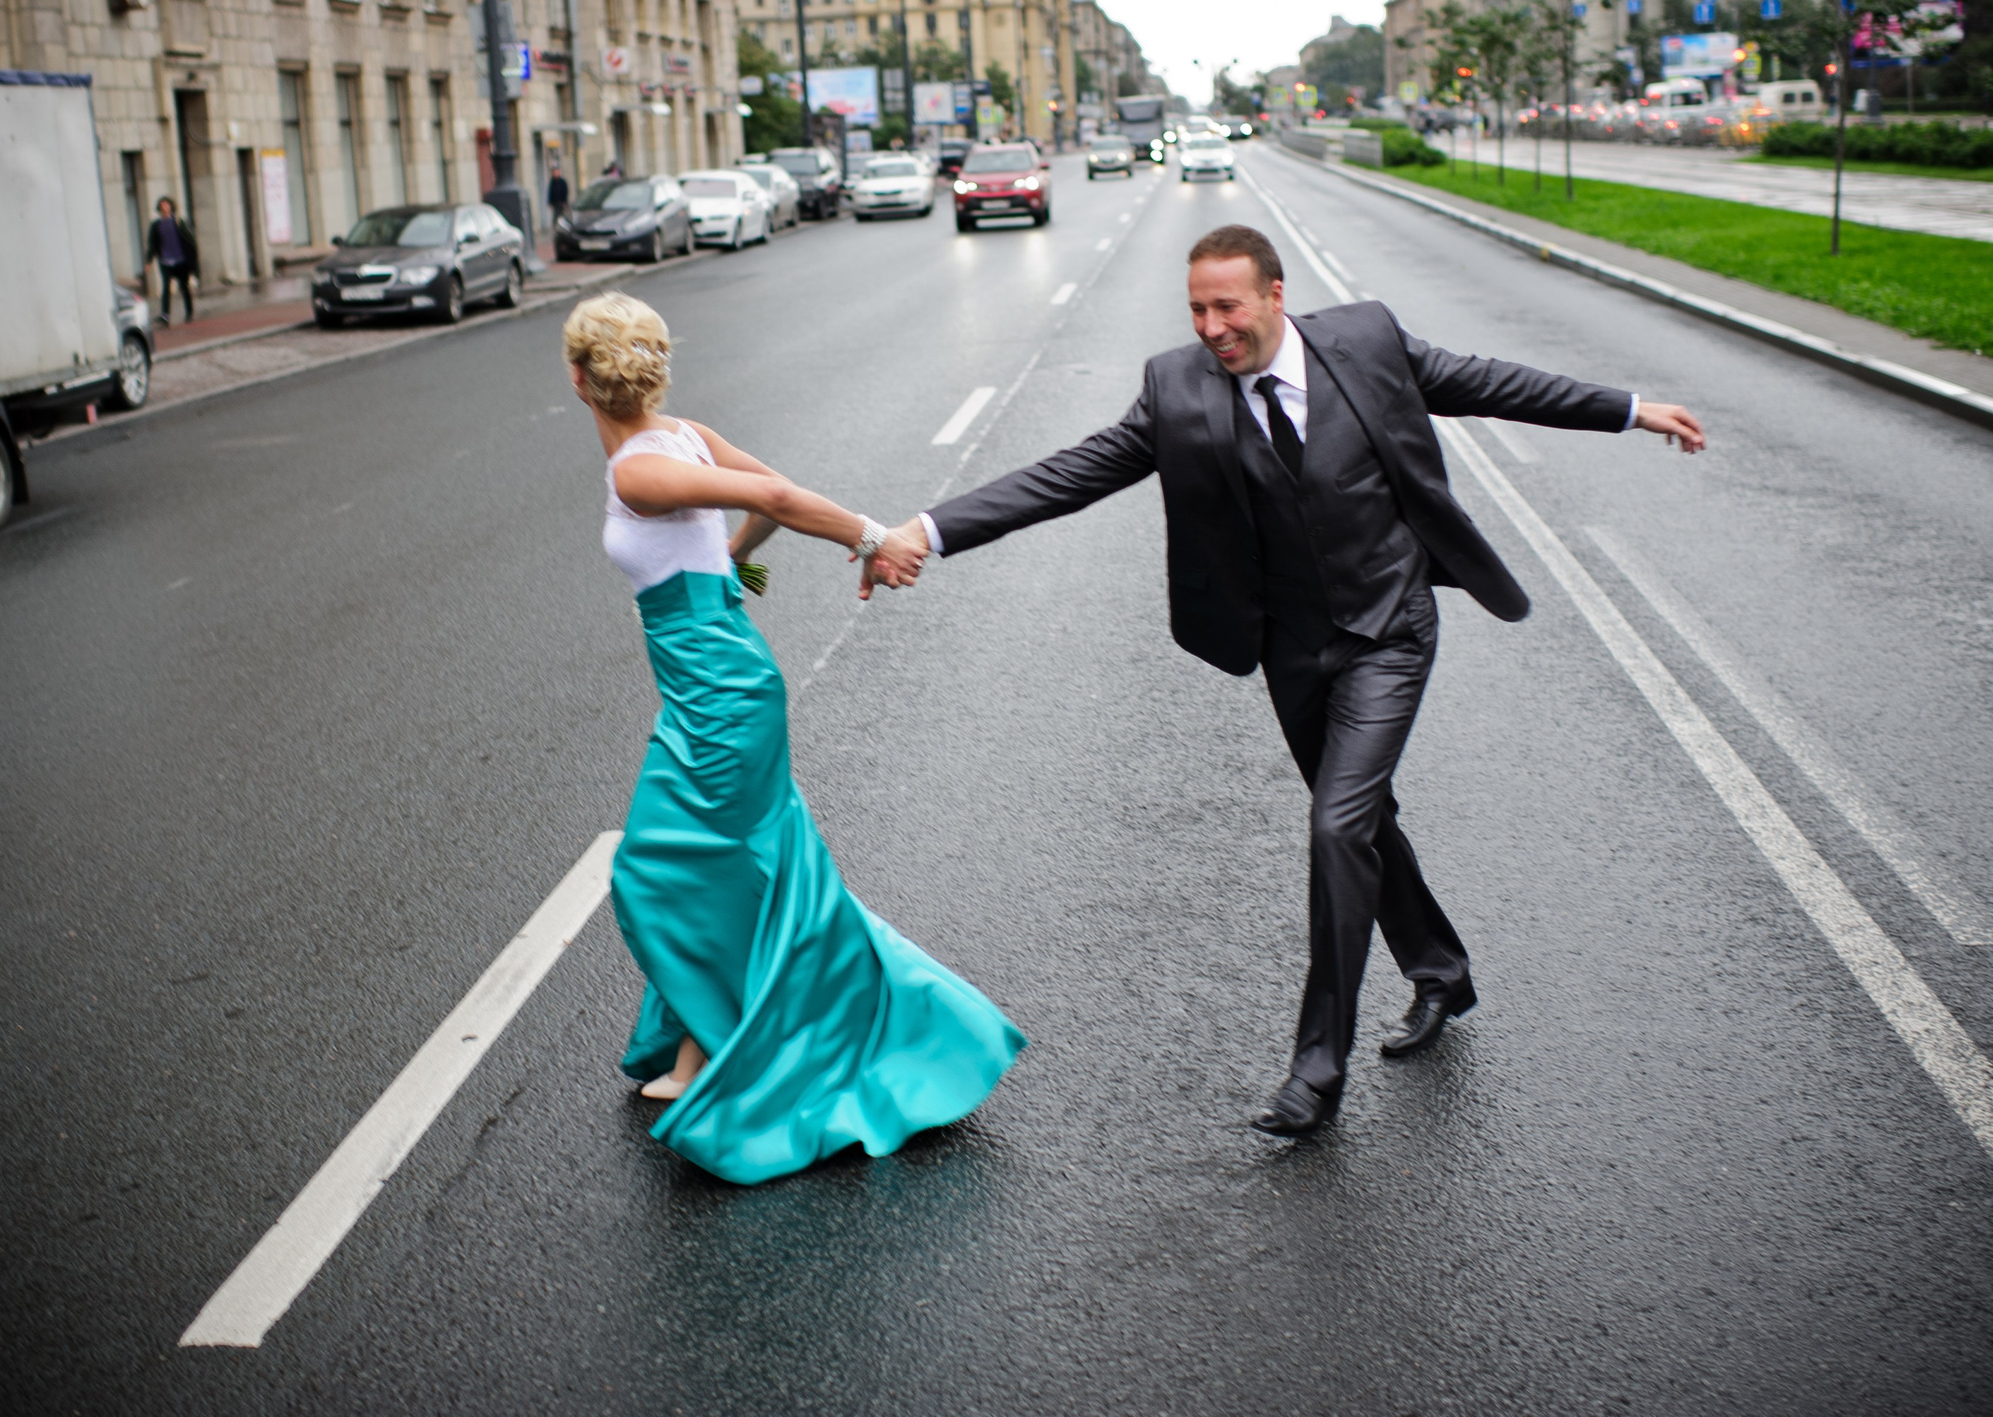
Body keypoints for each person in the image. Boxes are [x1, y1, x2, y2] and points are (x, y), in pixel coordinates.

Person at [889, 225, 1704, 1139]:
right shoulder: (1176, 387)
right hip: (1291, 646)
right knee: (1361, 820)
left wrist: (1631, 410)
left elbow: (1492, 382)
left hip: (1389, 630)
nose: (1211, 327)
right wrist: (930, 530)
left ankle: (1317, 1069)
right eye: (1196, 310)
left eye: (1227, 307)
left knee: (1337, 824)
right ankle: (1440, 971)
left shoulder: (1367, 343)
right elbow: (1071, 473)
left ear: (1276, 295)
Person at [567, 292, 1023, 1184]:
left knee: (655, 867)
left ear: (579, 380)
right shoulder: (683, 438)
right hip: (716, 679)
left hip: (719, 693)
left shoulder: (639, 473)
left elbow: (774, 495)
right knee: (725, 866)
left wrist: (873, 538)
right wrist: (730, 561)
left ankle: (736, 1047)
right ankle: (708, 1049)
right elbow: (767, 500)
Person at [148, 197, 198, 326]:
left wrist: (192, 259)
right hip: (166, 261)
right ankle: (165, 315)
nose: (164, 208)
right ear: (159, 208)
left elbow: (189, 239)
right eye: (162, 206)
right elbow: (152, 244)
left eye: (166, 205)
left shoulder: (178, 222)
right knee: (166, 288)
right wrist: (148, 261)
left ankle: (189, 312)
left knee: (184, 287)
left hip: (181, 260)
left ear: (171, 207)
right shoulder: (156, 225)